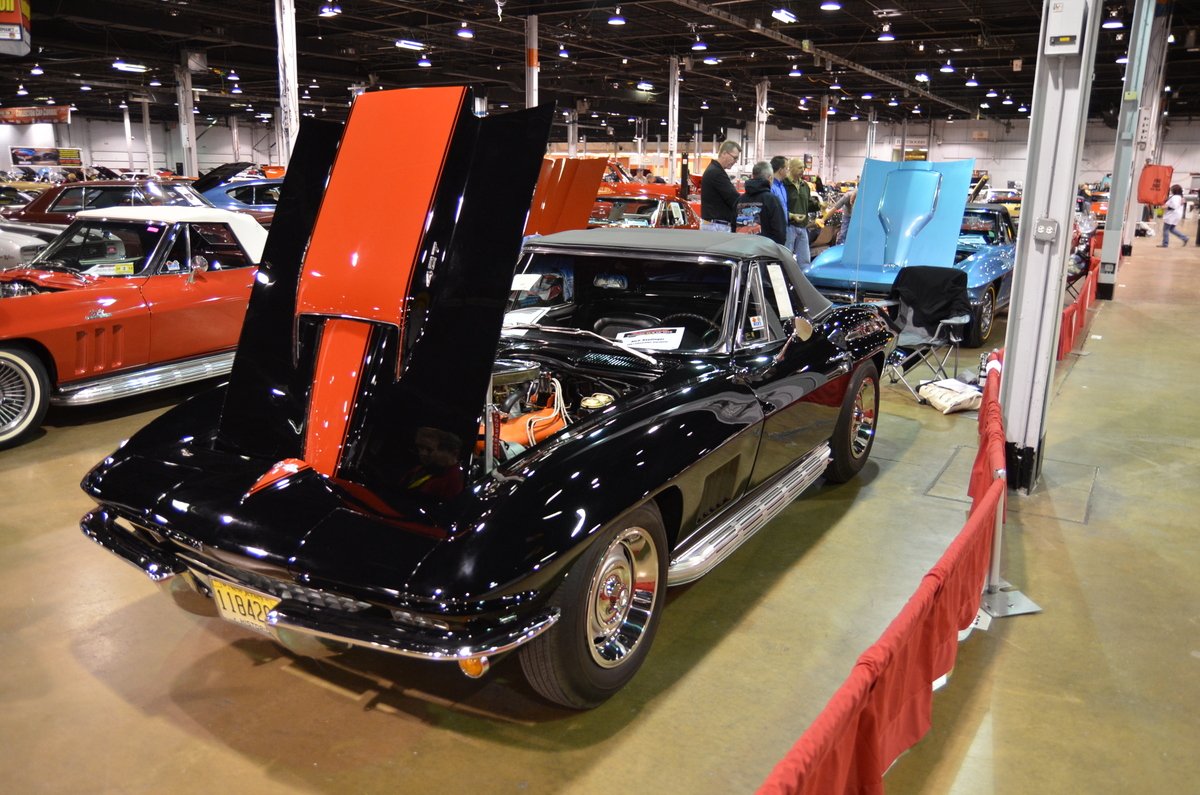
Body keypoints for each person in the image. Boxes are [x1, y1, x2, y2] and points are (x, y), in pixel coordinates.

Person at [735, 160, 786, 244]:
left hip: (741, 250)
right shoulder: (772, 200)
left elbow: (734, 228)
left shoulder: (739, 200)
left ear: (753, 176)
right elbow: (780, 233)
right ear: (770, 178)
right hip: (765, 253)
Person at [701, 140, 742, 230]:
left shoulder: (714, 170)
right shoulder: (717, 173)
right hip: (717, 226)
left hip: (714, 225)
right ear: (724, 153)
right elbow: (734, 198)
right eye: (734, 158)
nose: (735, 161)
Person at [784, 158, 814, 265]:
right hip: (788, 226)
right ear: (791, 168)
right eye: (800, 167)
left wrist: (820, 205)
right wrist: (790, 216)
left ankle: (803, 280)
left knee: (805, 260)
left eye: (803, 168)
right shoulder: (784, 184)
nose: (803, 170)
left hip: (803, 226)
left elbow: (808, 204)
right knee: (786, 258)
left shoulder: (805, 185)